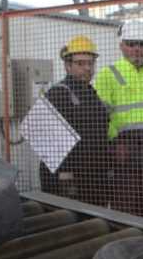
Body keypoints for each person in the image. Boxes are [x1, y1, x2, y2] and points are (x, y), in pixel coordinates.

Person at [95, 21, 143, 217]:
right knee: (125, 205)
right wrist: (113, 144)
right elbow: (98, 117)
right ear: (121, 45)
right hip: (123, 152)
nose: (137, 49)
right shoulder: (108, 74)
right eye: (131, 44)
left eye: (141, 44)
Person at [37, 36, 111, 207]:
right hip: (67, 180)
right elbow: (45, 140)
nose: (87, 68)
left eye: (90, 63)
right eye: (80, 63)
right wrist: (65, 173)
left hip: (93, 178)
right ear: (68, 66)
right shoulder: (58, 94)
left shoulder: (92, 95)